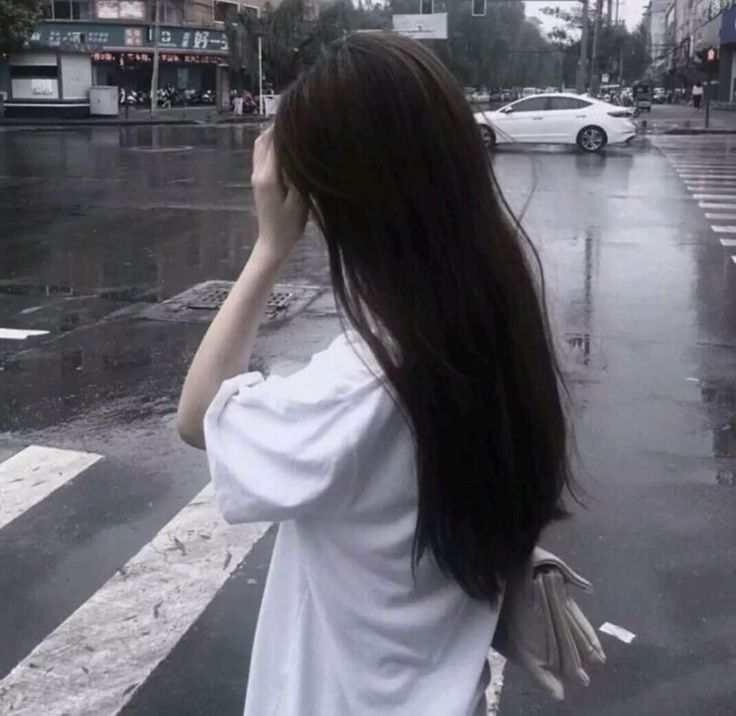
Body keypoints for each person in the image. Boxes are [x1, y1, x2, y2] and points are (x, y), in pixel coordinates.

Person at [177, 32, 574, 716]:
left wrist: (269, 250)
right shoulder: (488, 315)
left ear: (331, 199)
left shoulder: (360, 384)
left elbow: (196, 419)